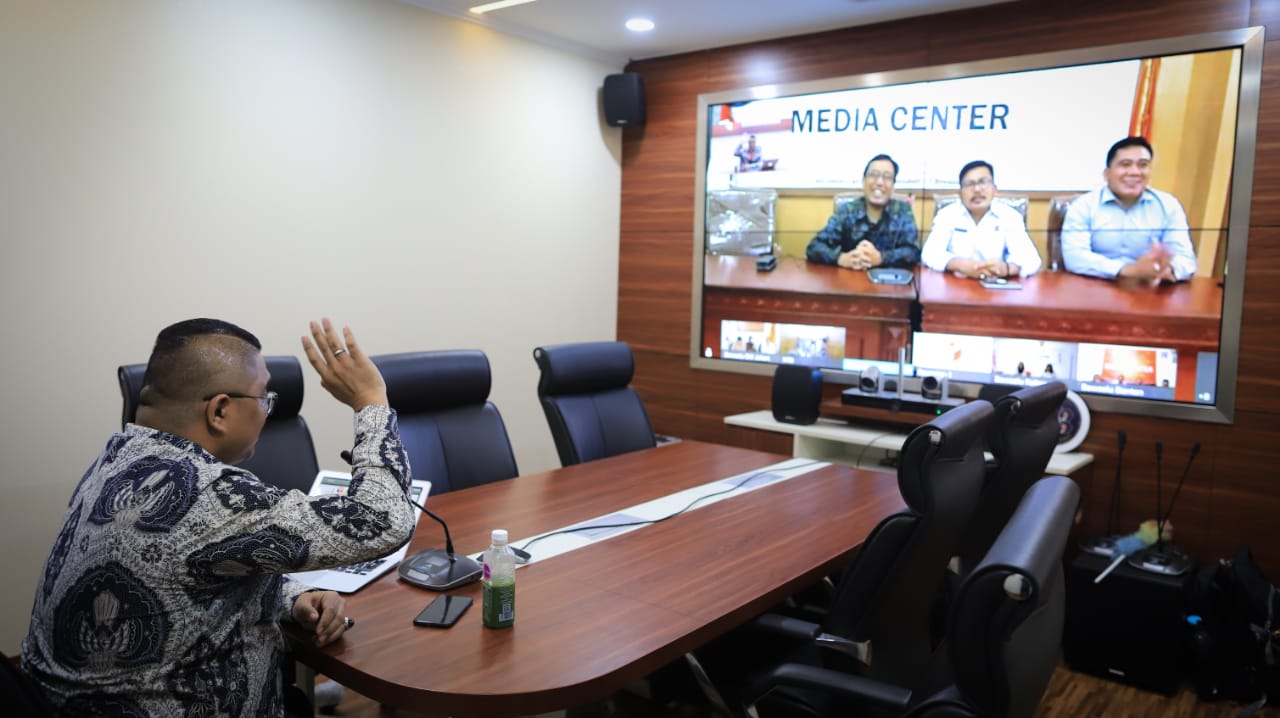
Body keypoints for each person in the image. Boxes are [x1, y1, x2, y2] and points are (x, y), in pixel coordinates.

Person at [20, 318, 417, 717]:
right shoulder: (206, 495)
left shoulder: (115, 460)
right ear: (220, 410)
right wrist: (371, 399)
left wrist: (291, 598)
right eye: (265, 398)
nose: (267, 411)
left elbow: (185, 582)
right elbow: (383, 519)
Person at [1061, 136, 1197, 285]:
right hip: (1094, 287)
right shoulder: (1084, 206)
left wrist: (1166, 269)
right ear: (1107, 174)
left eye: (1143, 165)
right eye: (1125, 165)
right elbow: (1075, 257)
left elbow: (1185, 259)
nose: (1134, 172)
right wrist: (1128, 270)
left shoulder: (1169, 205)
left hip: (1150, 290)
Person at [921, 160, 1042, 279]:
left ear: (994, 189)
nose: (977, 189)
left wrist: (1006, 268)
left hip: (998, 287)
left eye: (983, 182)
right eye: (969, 184)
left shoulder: (1009, 216)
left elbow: (1031, 260)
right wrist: (960, 265)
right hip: (956, 285)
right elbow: (929, 254)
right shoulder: (947, 215)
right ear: (960, 192)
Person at [806, 154, 919, 270]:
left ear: (893, 186)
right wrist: (841, 258)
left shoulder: (903, 210)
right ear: (863, 182)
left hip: (888, 284)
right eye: (873, 175)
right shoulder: (847, 211)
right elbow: (814, 247)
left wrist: (881, 258)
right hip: (849, 282)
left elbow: (913, 252)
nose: (879, 182)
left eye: (887, 177)